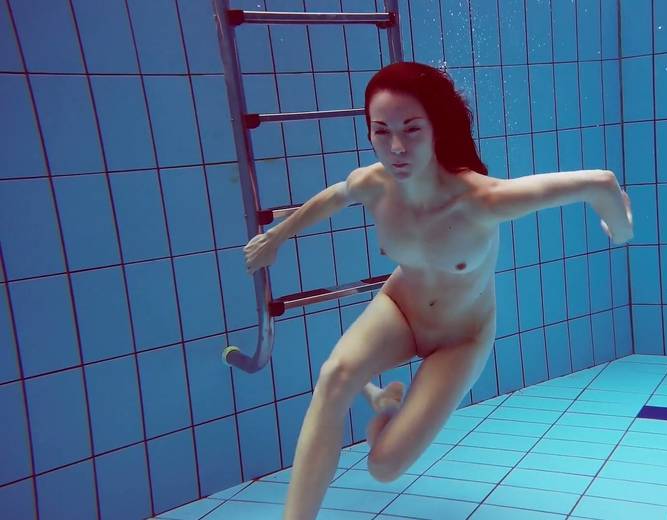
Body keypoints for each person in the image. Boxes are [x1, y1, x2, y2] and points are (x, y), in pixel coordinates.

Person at [243, 61, 633, 519]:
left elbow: (600, 183)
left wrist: (620, 228)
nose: (396, 148)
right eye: (381, 131)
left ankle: (388, 411)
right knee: (334, 377)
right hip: (400, 308)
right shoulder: (374, 184)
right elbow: (334, 196)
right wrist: (277, 237)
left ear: (436, 128)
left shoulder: (483, 200)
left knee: (383, 467)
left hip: (460, 337)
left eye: (411, 129)